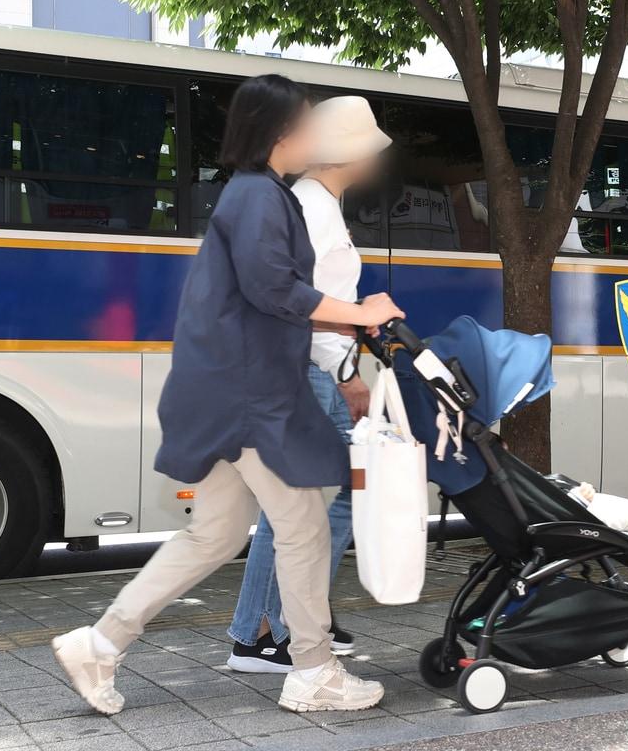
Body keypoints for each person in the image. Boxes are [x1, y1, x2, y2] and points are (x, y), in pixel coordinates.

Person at [50, 75, 405, 716]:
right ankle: (315, 670)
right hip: (248, 396)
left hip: (224, 391)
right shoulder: (262, 200)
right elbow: (274, 289)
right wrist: (358, 312)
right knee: (302, 527)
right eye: (304, 126)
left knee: (212, 536)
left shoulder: (253, 196)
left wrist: (346, 319)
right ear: (280, 136)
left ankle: (99, 644)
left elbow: (270, 297)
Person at [226, 95, 391, 673]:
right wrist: (349, 370)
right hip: (310, 371)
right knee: (316, 504)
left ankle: (280, 624)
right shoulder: (313, 211)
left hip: (308, 369)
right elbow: (299, 303)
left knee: (305, 506)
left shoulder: (312, 204)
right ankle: (275, 629)